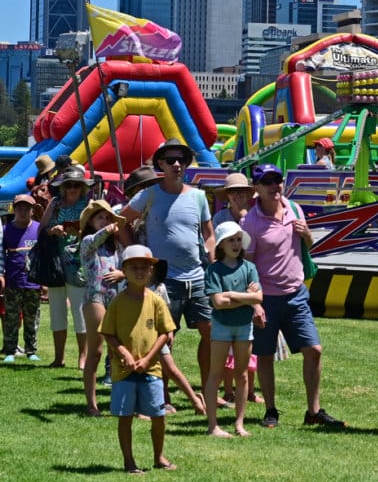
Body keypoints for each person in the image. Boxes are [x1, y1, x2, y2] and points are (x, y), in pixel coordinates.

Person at [240, 163, 345, 429]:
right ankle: (270, 410)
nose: (274, 186)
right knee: (265, 354)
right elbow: (247, 266)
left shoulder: (294, 209)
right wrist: (255, 304)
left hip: (296, 294)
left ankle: (314, 411)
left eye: (277, 180)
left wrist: (307, 235)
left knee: (314, 350)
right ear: (256, 188)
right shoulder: (249, 222)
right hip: (266, 297)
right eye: (267, 182)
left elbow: (308, 245)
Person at [119, 139, 217, 396]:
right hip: (163, 279)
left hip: (197, 276)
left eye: (181, 160)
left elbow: (209, 234)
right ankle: (161, 396)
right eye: (170, 160)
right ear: (160, 164)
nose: (176, 164)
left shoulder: (198, 197)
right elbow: (120, 221)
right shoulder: (150, 194)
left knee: (210, 334)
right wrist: (135, 252)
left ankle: (209, 392)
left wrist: (214, 260)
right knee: (163, 338)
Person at [101, 245, 177, 474]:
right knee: (125, 417)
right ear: (124, 271)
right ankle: (129, 461)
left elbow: (165, 333)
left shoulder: (156, 300)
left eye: (145, 267)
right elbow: (108, 333)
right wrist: (124, 353)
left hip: (151, 370)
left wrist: (148, 359)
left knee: (158, 415)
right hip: (124, 371)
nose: (140, 271)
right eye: (134, 267)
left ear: (151, 271)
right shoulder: (117, 302)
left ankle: (159, 457)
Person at [204, 221, 262, 438]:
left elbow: (258, 297)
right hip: (221, 327)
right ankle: (213, 426)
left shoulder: (249, 268)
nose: (236, 244)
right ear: (221, 244)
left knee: (243, 375)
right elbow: (218, 303)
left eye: (238, 239)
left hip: (244, 327)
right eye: (231, 240)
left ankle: (239, 424)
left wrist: (231, 295)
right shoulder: (214, 270)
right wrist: (246, 297)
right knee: (216, 374)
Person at [79, 200, 129, 416]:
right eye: (100, 217)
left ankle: (120, 401)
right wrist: (110, 228)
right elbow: (95, 239)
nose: (105, 221)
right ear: (90, 221)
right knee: (96, 351)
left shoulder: (115, 246)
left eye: (108, 218)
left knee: (117, 350)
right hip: (95, 297)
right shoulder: (87, 241)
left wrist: (122, 273)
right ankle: (92, 404)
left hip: (115, 299)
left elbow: (128, 266)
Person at [42, 166, 93, 369]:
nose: (72, 188)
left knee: (80, 312)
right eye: (68, 185)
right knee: (56, 312)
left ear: (82, 187)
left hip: (79, 263)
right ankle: (58, 357)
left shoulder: (88, 204)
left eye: (76, 185)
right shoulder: (55, 203)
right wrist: (52, 230)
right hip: (55, 262)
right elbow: (41, 229)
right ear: (63, 187)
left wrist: (81, 232)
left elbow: (97, 230)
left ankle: (83, 357)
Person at [1, 194, 42, 362]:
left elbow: (44, 255)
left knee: (32, 317)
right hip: (13, 281)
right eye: (19, 208)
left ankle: (31, 350)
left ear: (32, 211)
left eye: (26, 208)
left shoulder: (39, 228)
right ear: (14, 209)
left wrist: (44, 281)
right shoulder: (6, 230)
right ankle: (10, 351)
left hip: (33, 282)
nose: (23, 212)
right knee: (11, 317)